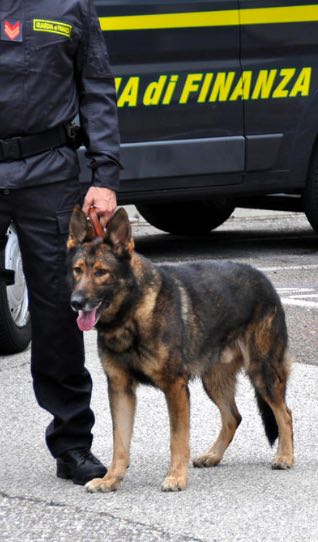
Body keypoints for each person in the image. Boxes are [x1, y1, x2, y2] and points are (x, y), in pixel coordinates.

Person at [0, 1, 121, 482]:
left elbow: (96, 90)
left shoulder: (70, 5)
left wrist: (105, 174)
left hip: (48, 173)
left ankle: (72, 444)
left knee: (57, 313)